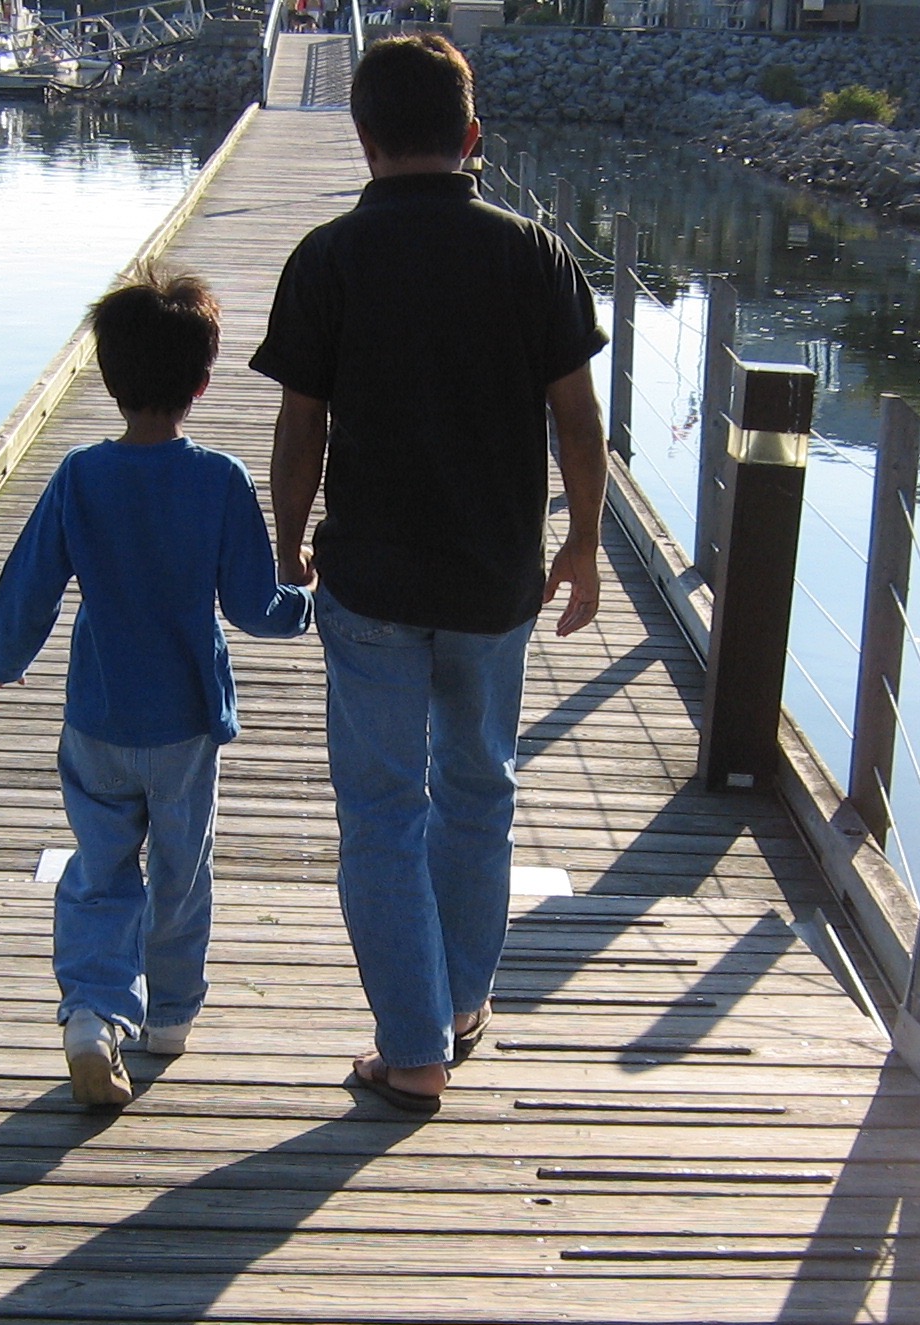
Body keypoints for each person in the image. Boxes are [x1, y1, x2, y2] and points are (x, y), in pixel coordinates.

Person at [250, 34, 610, 1114]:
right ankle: (458, 1005)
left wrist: (287, 540)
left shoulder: (325, 258)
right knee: (477, 792)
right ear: (470, 139)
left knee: (379, 809)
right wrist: (583, 541)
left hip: (368, 583)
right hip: (495, 581)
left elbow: (299, 427)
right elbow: (577, 421)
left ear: (361, 140)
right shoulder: (533, 255)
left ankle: (412, 1050)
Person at [0, 269, 313, 1107]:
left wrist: (4, 662)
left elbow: (30, 587)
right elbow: (253, 608)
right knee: (180, 867)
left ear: (108, 377)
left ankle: (93, 1013)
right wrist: (310, 600)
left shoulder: (80, 477)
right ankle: (168, 1019)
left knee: (100, 869)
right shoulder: (221, 480)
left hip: (97, 716)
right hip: (186, 724)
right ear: (203, 384)